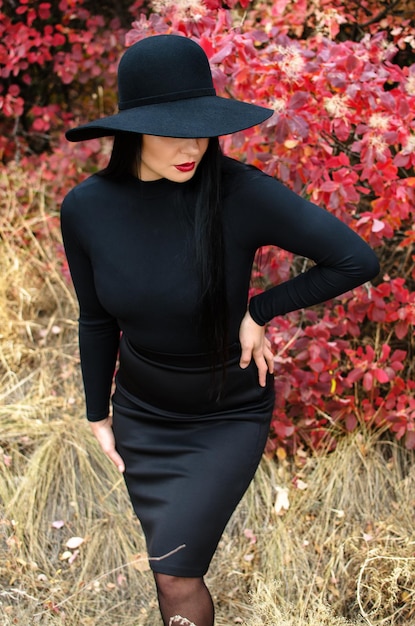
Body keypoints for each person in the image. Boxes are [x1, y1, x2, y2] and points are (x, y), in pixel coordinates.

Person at [61, 34, 380, 626]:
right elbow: (96, 315)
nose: (192, 148)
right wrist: (96, 414)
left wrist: (258, 311)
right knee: (167, 567)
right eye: (171, 131)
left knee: (177, 575)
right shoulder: (86, 208)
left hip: (224, 412)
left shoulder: (239, 191)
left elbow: (356, 261)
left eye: (201, 129)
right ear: (132, 131)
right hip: (142, 411)